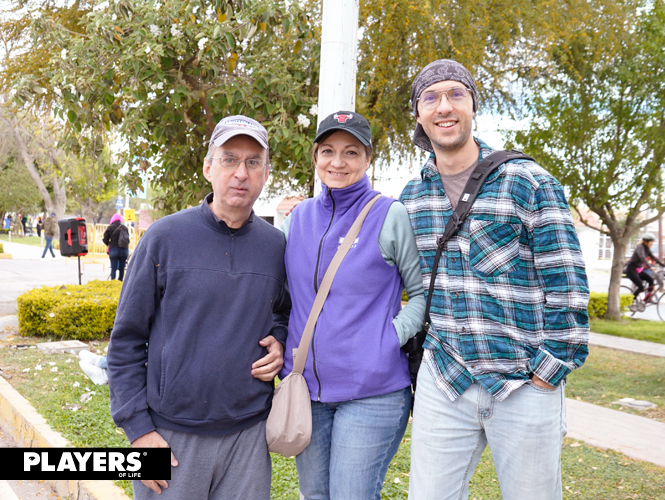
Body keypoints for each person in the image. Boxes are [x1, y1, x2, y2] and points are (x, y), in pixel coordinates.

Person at [399, 59, 590, 500]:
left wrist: (548, 372)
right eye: (431, 98)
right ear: (418, 114)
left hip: (522, 382)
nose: (444, 107)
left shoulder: (527, 181)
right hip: (445, 379)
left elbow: (568, 283)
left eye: (455, 95)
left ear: (472, 105)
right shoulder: (411, 198)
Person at [107, 115, 290, 500]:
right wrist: (138, 430)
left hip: (249, 438)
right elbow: (125, 341)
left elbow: (284, 313)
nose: (241, 172)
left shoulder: (276, 247)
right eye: (229, 159)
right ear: (209, 168)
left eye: (253, 162)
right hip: (169, 438)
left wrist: (278, 338)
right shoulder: (164, 238)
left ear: (266, 173)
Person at [280, 111, 425, 500]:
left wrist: (385, 339)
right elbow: (284, 299)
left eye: (351, 152)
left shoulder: (389, 214)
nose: (338, 162)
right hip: (307, 392)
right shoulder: (297, 220)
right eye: (328, 151)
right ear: (315, 157)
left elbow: (422, 295)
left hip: (372, 392)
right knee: (315, 496)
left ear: (368, 159)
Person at [625, 233, 664, 301]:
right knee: (641, 287)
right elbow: (642, 257)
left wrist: (663, 264)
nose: (652, 243)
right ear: (646, 242)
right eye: (651, 242)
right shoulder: (640, 247)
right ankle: (631, 302)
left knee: (651, 280)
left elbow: (654, 257)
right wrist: (649, 266)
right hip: (631, 270)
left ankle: (647, 299)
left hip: (638, 270)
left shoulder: (647, 248)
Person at [103, 214, 130, 281]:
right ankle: (120, 281)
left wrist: (109, 244)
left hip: (114, 249)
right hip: (124, 250)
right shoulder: (124, 228)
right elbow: (128, 239)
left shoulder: (110, 228)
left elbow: (105, 238)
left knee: (113, 267)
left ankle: (113, 281)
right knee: (122, 268)